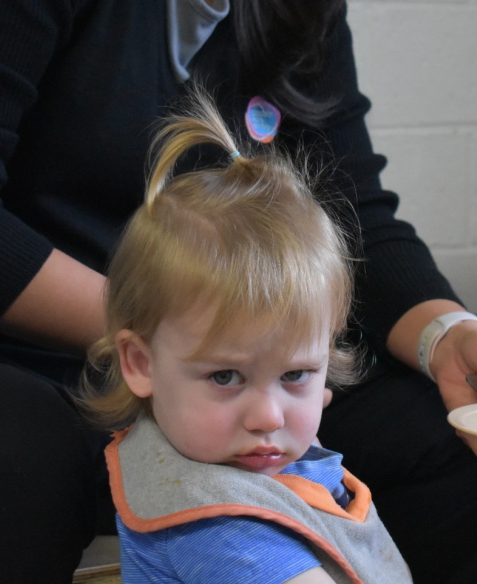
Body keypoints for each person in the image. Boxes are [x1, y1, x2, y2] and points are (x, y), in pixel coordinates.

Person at [0, 1, 477, 582]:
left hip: (209, 354)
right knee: (1, 440)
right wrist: (185, 343)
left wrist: (448, 333)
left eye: (303, 376)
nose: (272, 417)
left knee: (471, 405)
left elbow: (355, 209)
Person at [80, 91, 411, 584]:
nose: (268, 416)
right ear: (140, 364)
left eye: (295, 374)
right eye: (226, 376)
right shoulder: (220, 530)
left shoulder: (230, 457)